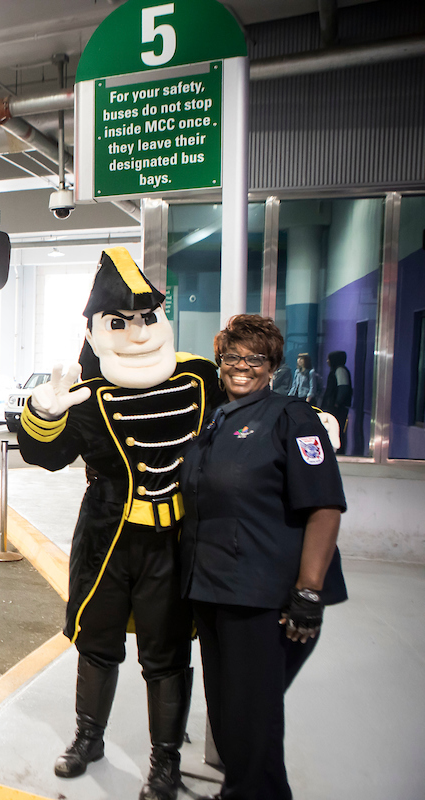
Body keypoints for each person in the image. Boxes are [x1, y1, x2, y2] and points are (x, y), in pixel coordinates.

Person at [17, 247, 224, 800]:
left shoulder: (202, 379)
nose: (135, 332)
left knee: (168, 652)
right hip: (108, 541)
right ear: (96, 329)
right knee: (97, 642)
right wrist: (43, 413)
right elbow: (47, 457)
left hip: (171, 544)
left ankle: (165, 761)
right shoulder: (87, 396)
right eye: (120, 322)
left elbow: (252, 413)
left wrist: (307, 423)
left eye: (146, 318)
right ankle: (89, 738)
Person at [179, 315, 346, 800]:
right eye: (233, 356)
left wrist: (309, 590)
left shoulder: (293, 417)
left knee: (253, 724)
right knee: (230, 718)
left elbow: (324, 506)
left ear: (273, 365)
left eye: (256, 358)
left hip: (262, 599)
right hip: (211, 593)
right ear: (220, 362)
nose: (243, 366)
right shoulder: (214, 423)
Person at [321, 351, 352, 454]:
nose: (327, 361)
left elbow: (343, 388)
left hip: (337, 408)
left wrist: (337, 403)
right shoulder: (335, 370)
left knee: (337, 430)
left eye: (329, 359)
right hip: (333, 406)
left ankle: (339, 451)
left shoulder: (340, 370)